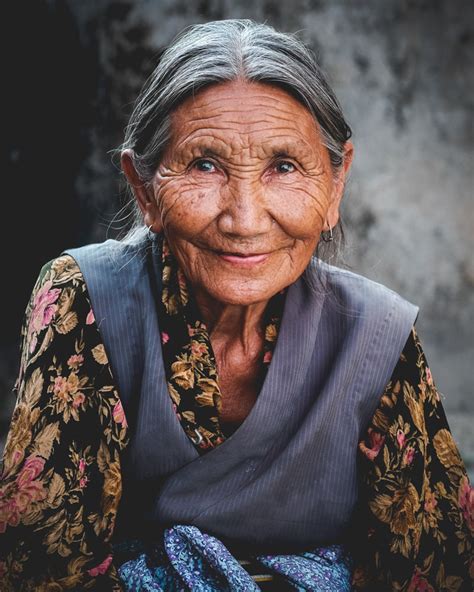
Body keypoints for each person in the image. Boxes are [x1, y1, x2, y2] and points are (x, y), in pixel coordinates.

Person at [0, 19, 472, 592]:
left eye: (284, 166)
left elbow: (438, 571)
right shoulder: (85, 302)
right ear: (144, 189)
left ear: (336, 183)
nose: (245, 220)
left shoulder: (377, 335)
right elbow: (40, 571)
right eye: (204, 164)